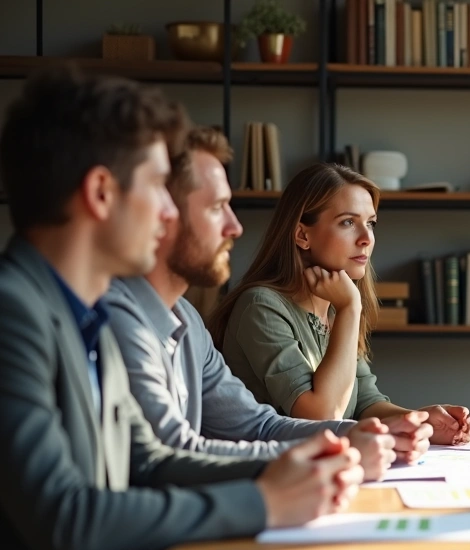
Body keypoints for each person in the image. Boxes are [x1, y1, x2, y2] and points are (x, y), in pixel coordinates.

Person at [0, 69, 399, 550]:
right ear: (100, 193)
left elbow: (151, 460)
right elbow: (66, 518)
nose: (168, 215)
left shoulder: (82, 311)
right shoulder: (15, 312)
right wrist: (264, 502)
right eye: (158, 188)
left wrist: (308, 468)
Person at [104, 127, 416, 479]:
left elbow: (260, 426)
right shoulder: (120, 317)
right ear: (162, 215)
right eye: (217, 207)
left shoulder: (187, 319)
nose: (236, 227)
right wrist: (334, 451)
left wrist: (377, 431)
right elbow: (170, 455)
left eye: (370, 224)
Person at [210, 163, 470, 446]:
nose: (366, 238)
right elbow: (322, 418)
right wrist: (351, 308)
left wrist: (421, 421)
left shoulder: (335, 304)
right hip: (276, 476)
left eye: (370, 223)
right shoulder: (261, 306)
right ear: (302, 235)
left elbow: (364, 403)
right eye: (348, 222)